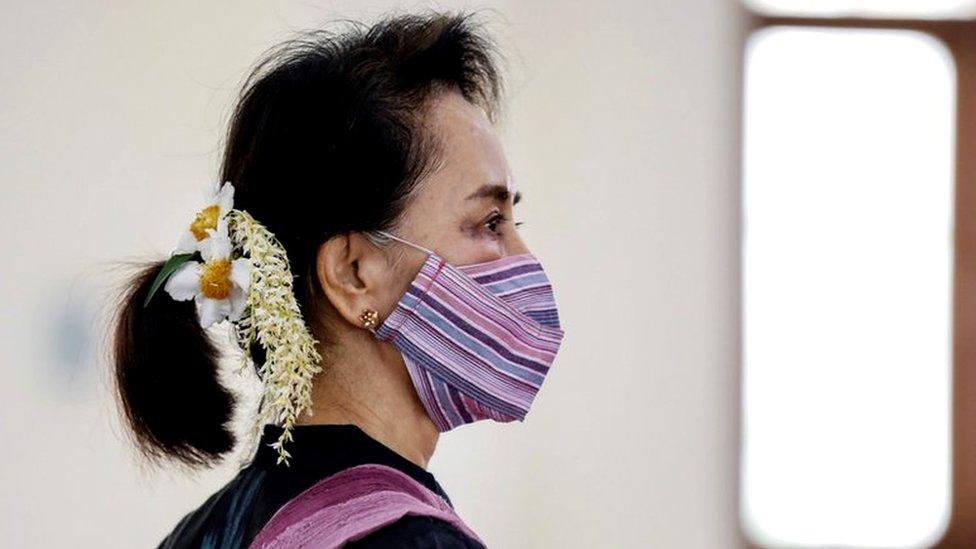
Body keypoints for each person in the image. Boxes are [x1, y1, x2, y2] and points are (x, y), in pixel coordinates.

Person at [110, 10, 565, 548]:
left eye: (515, 222)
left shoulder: (193, 537)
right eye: (490, 223)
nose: (523, 258)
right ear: (354, 275)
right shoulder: (412, 542)